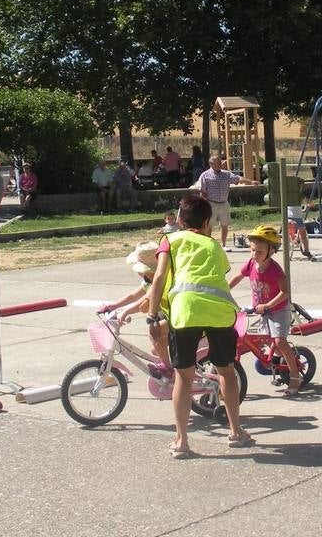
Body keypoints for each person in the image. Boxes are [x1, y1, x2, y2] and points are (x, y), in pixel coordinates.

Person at [146, 194, 250, 457]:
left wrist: (152, 314)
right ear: (207, 222)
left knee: (184, 375)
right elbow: (219, 277)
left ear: (179, 220)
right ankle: (236, 432)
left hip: (185, 311)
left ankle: (181, 442)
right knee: (226, 371)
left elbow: (159, 276)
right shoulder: (214, 246)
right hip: (219, 312)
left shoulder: (170, 239)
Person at [229, 225, 302, 395]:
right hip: (260, 310)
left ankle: (294, 376)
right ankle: (274, 362)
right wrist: (224, 290)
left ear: (271, 251)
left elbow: (285, 292)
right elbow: (237, 277)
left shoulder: (275, 269)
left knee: (279, 341)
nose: (254, 254)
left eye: (259, 251)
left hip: (278, 310)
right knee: (258, 338)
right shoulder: (251, 264)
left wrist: (269, 305)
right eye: (252, 250)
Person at [109, 241, 171, 367]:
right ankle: (169, 365)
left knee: (155, 332)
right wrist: (114, 306)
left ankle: (168, 368)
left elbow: (143, 301)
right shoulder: (148, 280)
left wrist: (125, 311)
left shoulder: (159, 280)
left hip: (173, 317)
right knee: (156, 349)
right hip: (164, 316)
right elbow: (133, 296)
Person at [197, 154, 262, 247]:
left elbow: (238, 179)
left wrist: (251, 182)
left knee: (225, 225)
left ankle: (223, 245)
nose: (220, 164)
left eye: (220, 162)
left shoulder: (226, 174)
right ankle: (208, 245)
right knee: (209, 225)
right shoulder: (205, 175)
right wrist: (203, 204)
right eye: (218, 163)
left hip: (224, 203)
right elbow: (202, 191)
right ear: (211, 164)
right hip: (211, 203)